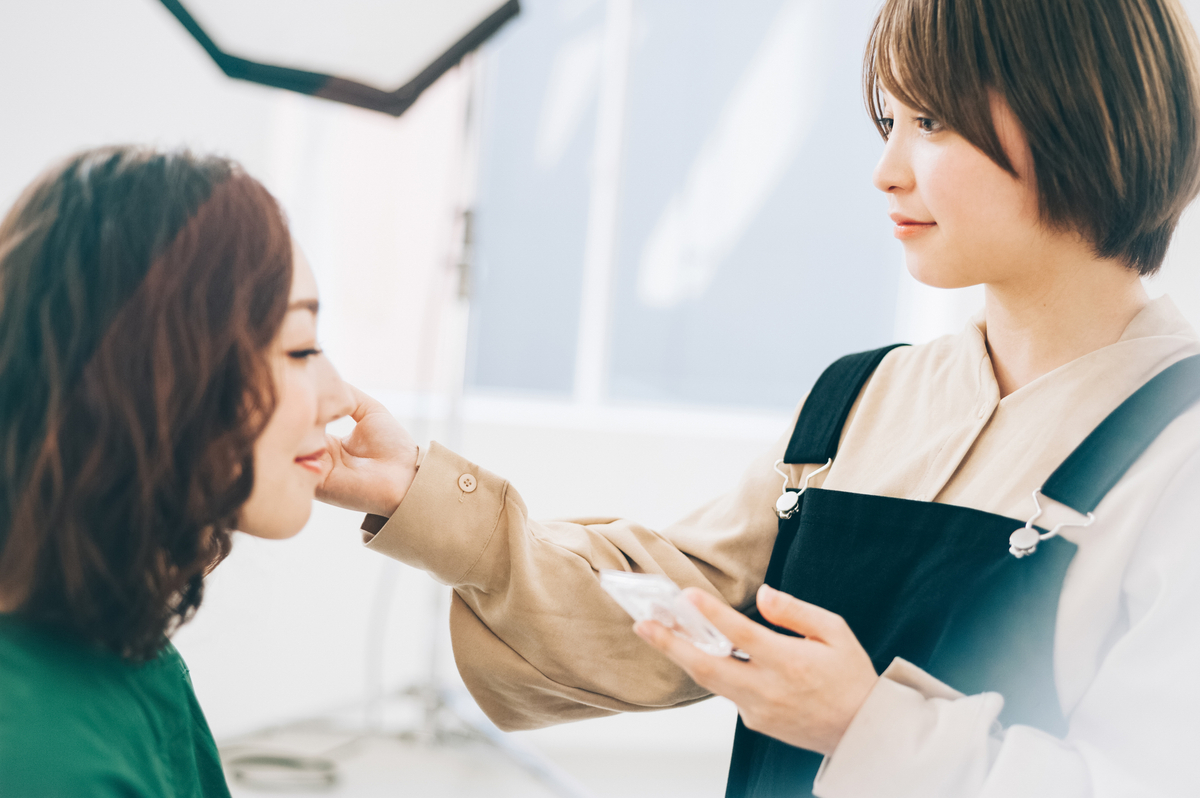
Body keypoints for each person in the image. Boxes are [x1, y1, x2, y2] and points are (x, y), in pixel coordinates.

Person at [317, 0, 1200, 795]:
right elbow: (675, 610)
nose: (886, 171)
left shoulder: (1181, 449)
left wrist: (865, 729)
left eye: (930, 121)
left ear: (1080, 116)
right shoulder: (864, 398)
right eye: (888, 122)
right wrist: (415, 494)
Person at [0, 146, 353, 797]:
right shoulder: (45, 766)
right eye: (301, 347)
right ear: (157, 376)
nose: (342, 400)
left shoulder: (123, 647)